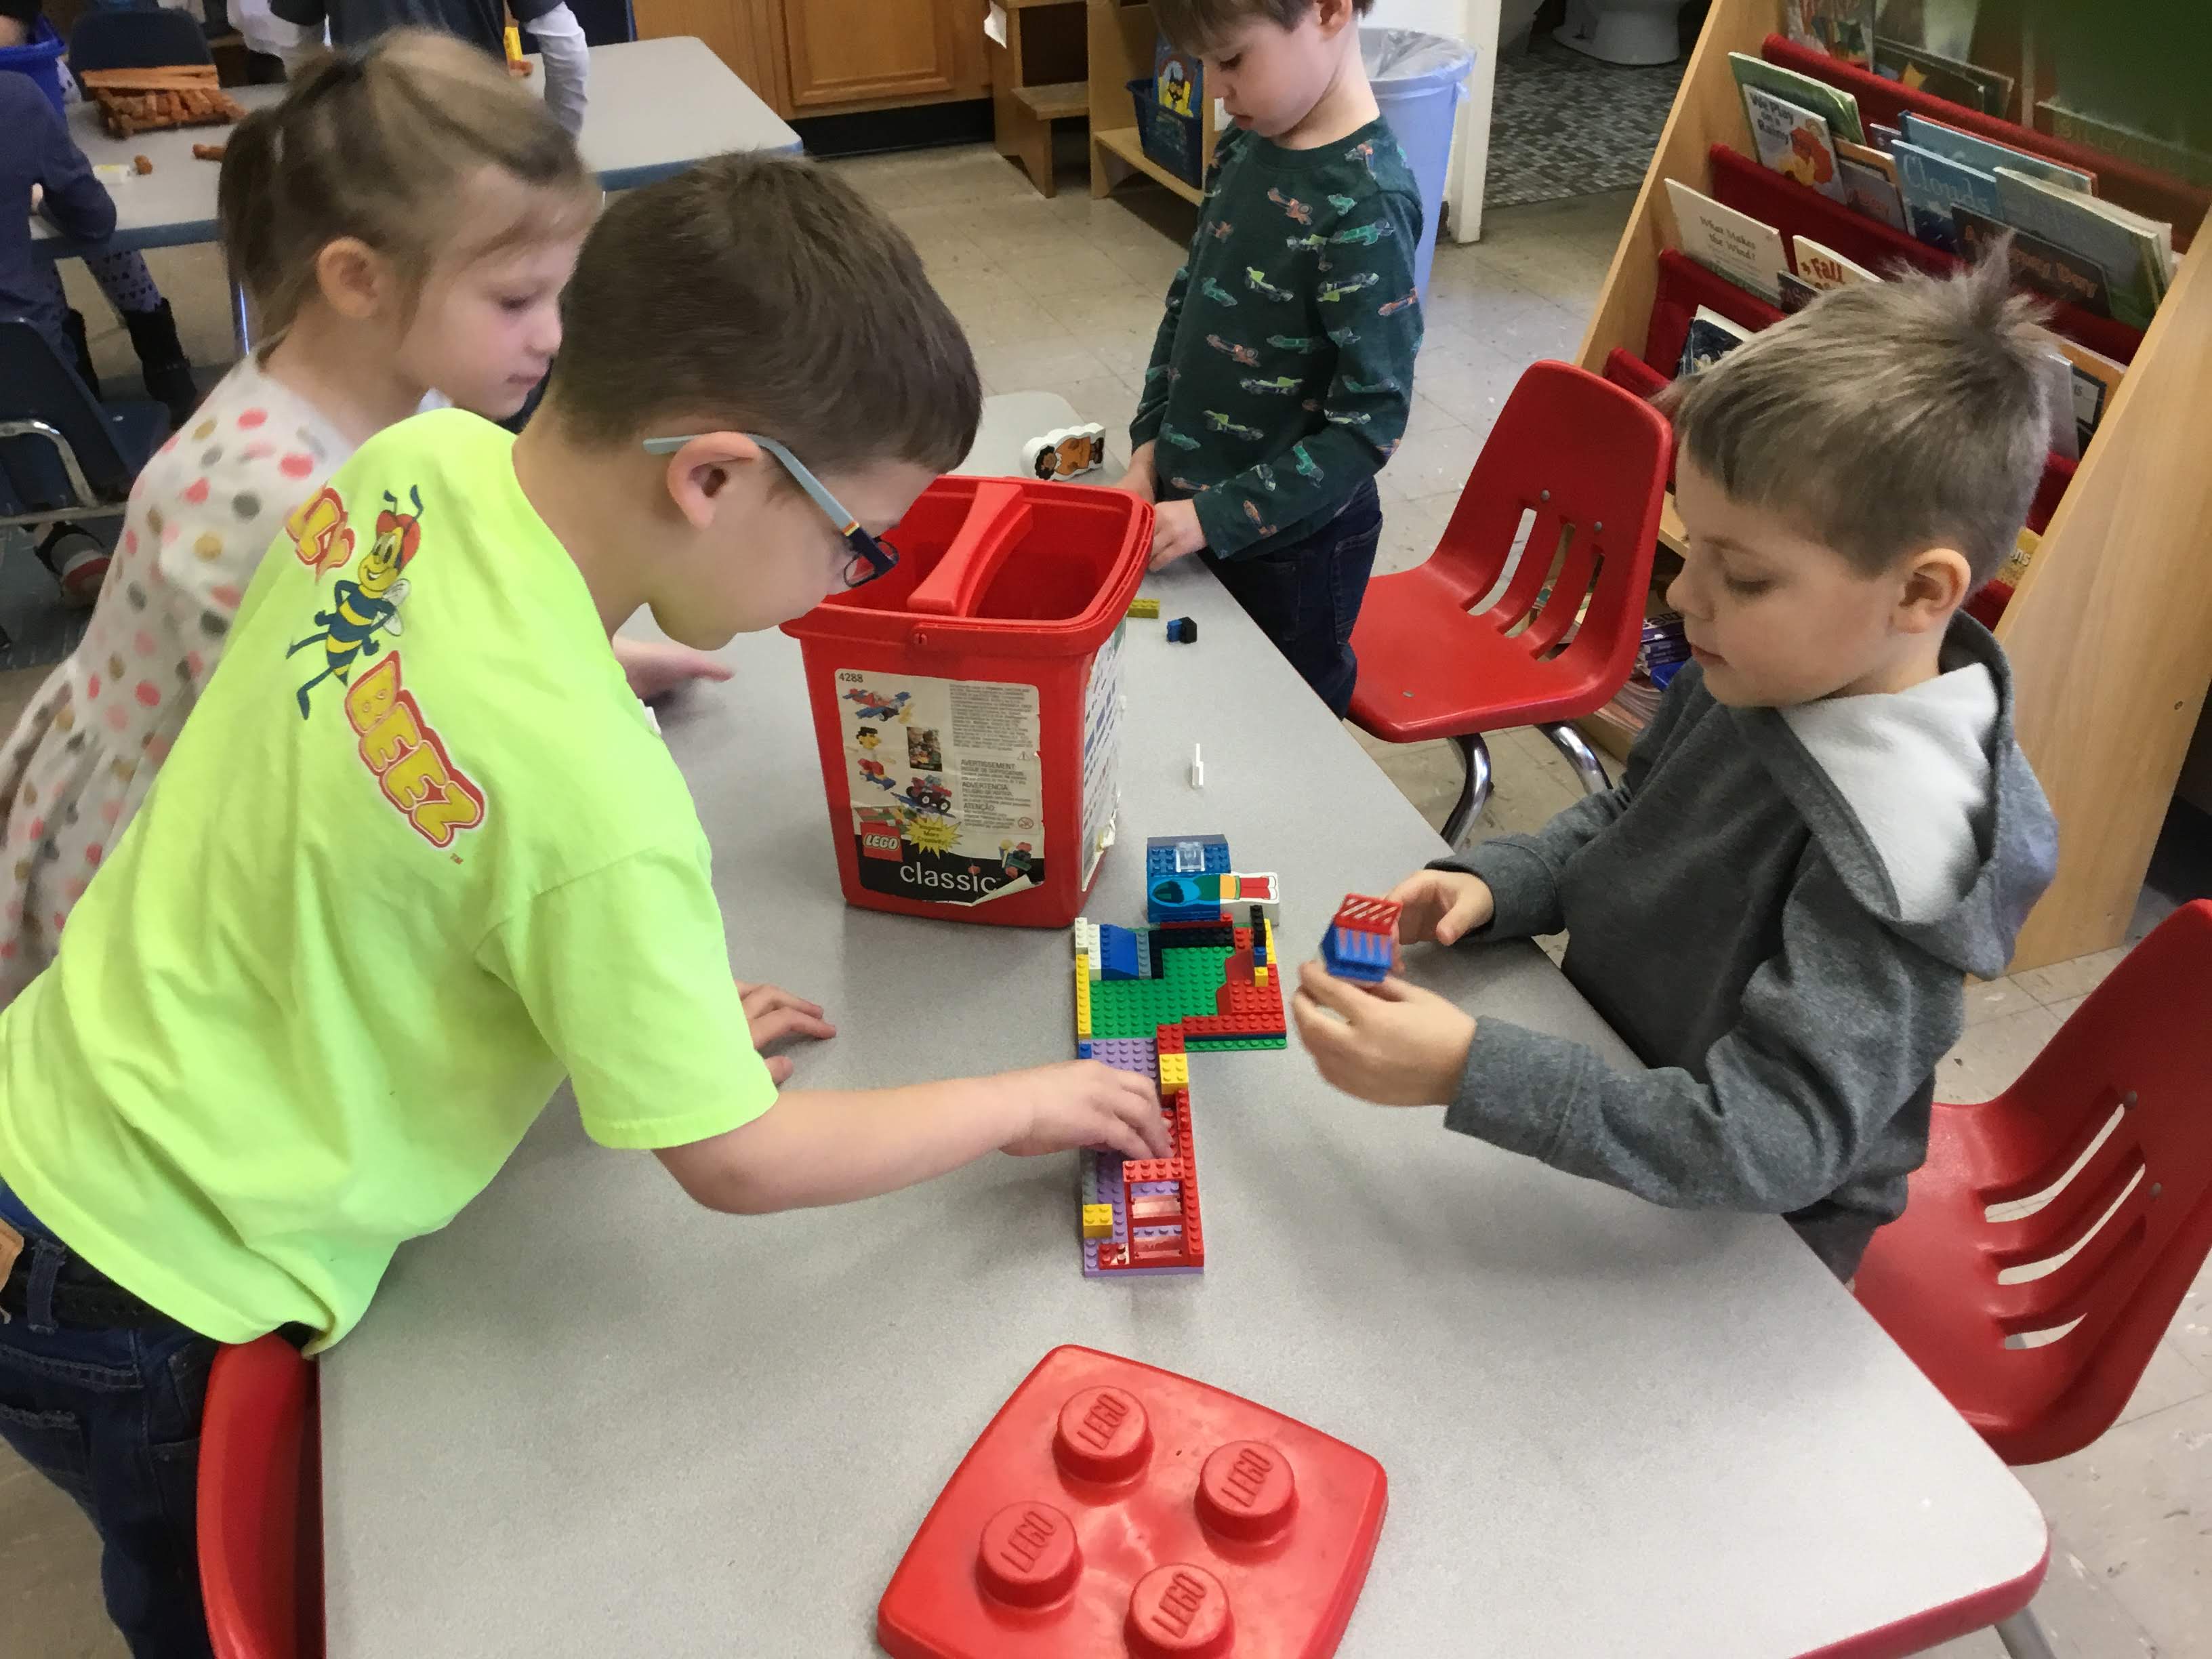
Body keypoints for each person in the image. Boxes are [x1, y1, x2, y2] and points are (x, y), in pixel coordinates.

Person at [0, 150, 1168, 1657]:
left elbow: (404, 748)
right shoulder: (595, 802)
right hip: (162, 1292)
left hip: (48, 1106)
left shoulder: (410, 470)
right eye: (852, 538)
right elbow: (737, 1164)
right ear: (714, 475)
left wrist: (638, 1019)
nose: (843, 580)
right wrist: (1019, 1100)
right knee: (200, 1607)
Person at [1292, 253, 2062, 1280]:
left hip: (1754, 1239)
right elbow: (1633, 814)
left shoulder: (1901, 850)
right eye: (1693, 547)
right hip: (1622, 1089)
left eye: (1741, 573)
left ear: (1920, 592)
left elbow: (1773, 1143)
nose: (1679, 600)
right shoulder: (1755, 663)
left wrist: (1475, 1070)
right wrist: (1500, 880)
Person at [0, 32, 665, 1012]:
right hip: (164, 892)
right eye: (517, 298)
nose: (553, 335)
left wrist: (577, 661)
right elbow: (338, 787)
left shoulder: (413, 395)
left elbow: (410, 614)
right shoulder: (267, 503)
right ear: (358, 279)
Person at [1122, 0, 1422, 717]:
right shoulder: (1244, 144)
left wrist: (1211, 518)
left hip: (1295, 551)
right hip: (1193, 507)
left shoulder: (1365, 205)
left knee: (1283, 724)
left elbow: (1368, 427)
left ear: (1328, 11)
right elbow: (1190, 303)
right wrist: (1147, 451)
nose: (1213, 88)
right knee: (1205, 710)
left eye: (1230, 62)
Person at [1, 0, 202, 598]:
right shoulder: (16, 100)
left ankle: (56, 532)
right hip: (25, 371)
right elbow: (93, 220)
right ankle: (68, 516)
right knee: (27, 328)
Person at [262, 0, 590, 135]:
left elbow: (295, 43)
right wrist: (560, 140)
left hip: (370, 134)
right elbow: (566, 45)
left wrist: (320, 120)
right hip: (482, 134)